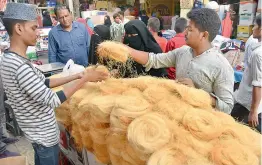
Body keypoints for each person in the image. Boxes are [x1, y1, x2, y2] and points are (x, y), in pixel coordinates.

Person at [0, 3, 108, 165]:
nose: (38, 33)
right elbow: (53, 100)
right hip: (44, 138)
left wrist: (77, 75)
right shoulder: (20, 67)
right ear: (19, 28)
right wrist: (85, 79)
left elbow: (44, 81)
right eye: (34, 28)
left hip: (35, 135)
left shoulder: (10, 59)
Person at [125, 8, 234, 114]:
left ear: (204, 35)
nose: (185, 32)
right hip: (177, 115)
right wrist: (124, 49)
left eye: (190, 30)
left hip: (200, 125)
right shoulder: (182, 52)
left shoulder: (221, 66)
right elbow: (154, 60)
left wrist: (197, 93)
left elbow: (227, 107)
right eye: (186, 28)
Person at [231, 14, 262, 133]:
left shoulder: (258, 54)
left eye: (255, 25)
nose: (252, 28)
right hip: (254, 103)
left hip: (248, 103)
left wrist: (253, 111)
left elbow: (258, 84)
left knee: (231, 129)